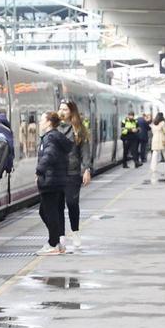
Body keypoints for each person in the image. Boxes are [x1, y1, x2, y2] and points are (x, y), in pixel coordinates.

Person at [35, 112, 72, 256]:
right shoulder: (56, 137)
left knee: (48, 212)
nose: (39, 122)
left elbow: (49, 155)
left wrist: (39, 170)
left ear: (49, 122)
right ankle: (56, 242)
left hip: (50, 180)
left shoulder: (50, 138)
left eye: (42, 119)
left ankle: (53, 244)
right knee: (48, 211)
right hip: (55, 179)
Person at [56, 101, 91, 252]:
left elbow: (85, 151)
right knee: (57, 205)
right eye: (60, 108)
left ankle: (75, 231)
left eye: (65, 109)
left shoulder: (79, 130)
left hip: (72, 171)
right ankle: (60, 235)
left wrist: (86, 169)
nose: (61, 111)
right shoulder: (53, 128)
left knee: (71, 203)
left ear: (71, 112)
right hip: (56, 172)